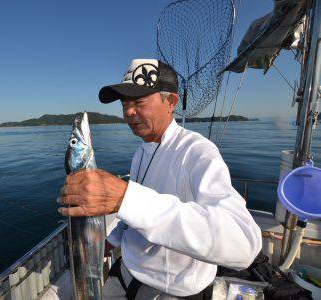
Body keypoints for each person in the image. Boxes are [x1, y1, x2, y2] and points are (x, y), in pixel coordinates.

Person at [57, 59, 262, 299]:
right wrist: (110, 240)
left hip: (168, 291)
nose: (128, 112)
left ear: (171, 102)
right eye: (124, 104)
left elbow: (243, 243)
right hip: (124, 274)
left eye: (139, 101)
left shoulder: (197, 151)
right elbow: (133, 217)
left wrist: (125, 198)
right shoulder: (141, 152)